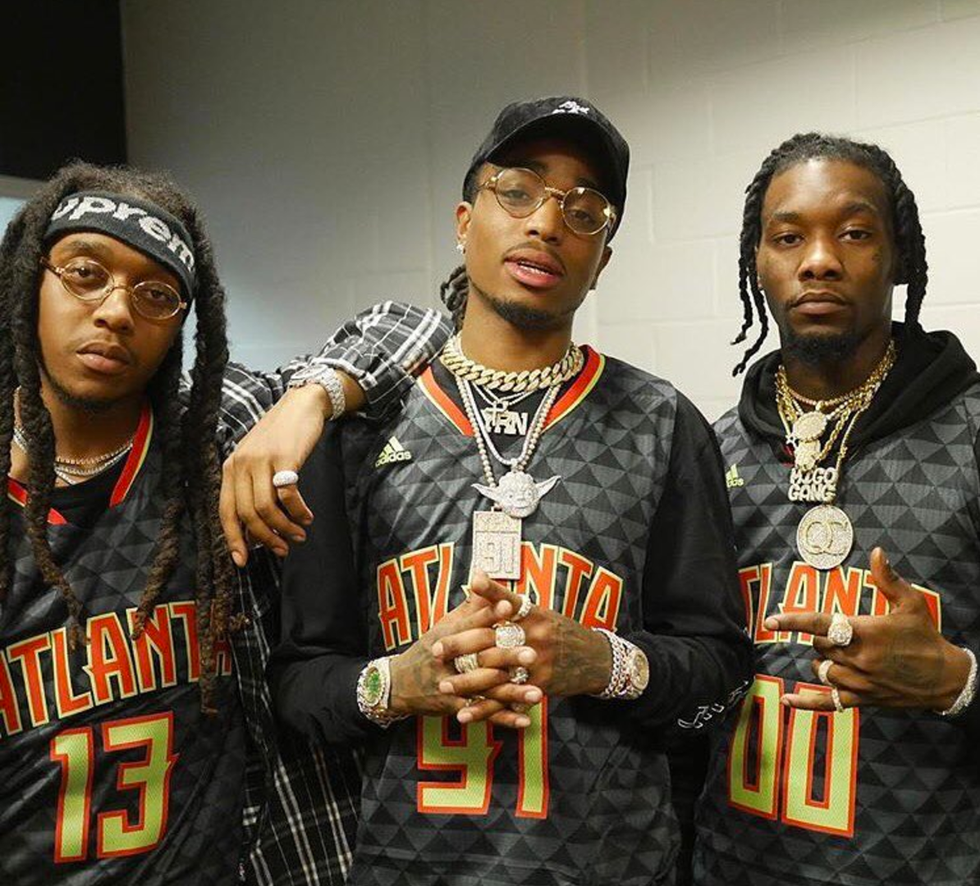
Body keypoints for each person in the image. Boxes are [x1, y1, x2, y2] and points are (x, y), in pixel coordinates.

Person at [266, 95, 752, 885]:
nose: (547, 223)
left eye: (583, 212)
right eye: (518, 191)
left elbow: (720, 677)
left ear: (603, 258)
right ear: (465, 222)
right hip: (404, 866)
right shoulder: (356, 425)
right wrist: (397, 683)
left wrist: (609, 663)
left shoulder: (663, 423)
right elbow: (298, 683)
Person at [0, 162, 447, 884]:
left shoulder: (216, 438)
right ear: (29, 282)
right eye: (85, 273)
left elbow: (418, 325)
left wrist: (307, 401)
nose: (116, 311)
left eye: (155, 294)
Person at [692, 134, 980, 885]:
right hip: (734, 865)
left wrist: (959, 681)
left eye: (854, 233)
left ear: (899, 257)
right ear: (758, 262)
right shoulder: (708, 451)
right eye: (789, 237)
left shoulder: (971, 431)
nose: (818, 260)